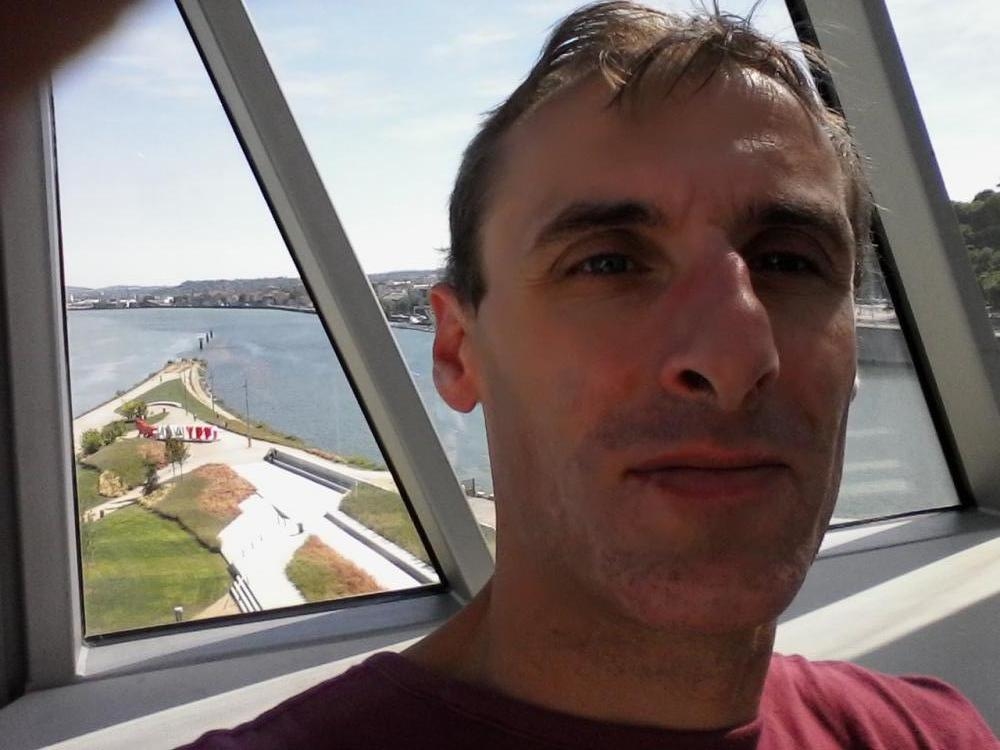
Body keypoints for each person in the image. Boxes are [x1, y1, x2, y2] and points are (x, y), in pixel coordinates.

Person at [182, 2, 998, 748]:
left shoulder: (929, 735)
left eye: (788, 261)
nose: (733, 355)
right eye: (608, 263)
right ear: (459, 351)